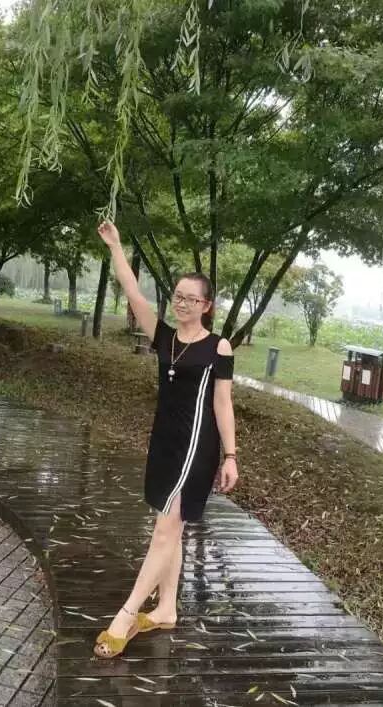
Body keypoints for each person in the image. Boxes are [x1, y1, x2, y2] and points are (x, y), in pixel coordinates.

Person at [94, 220, 239, 659]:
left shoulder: (218, 347)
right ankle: (166, 609)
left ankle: (126, 616)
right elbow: (133, 292)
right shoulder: (164, 337)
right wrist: (116, 246)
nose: (182, 303)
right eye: (178, 296)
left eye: (191, 299)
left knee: (164, 529)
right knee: (168, 526)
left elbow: (223, 403)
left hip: (197, 447)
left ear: (207, 305)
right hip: (164, 443)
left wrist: (230, 456)